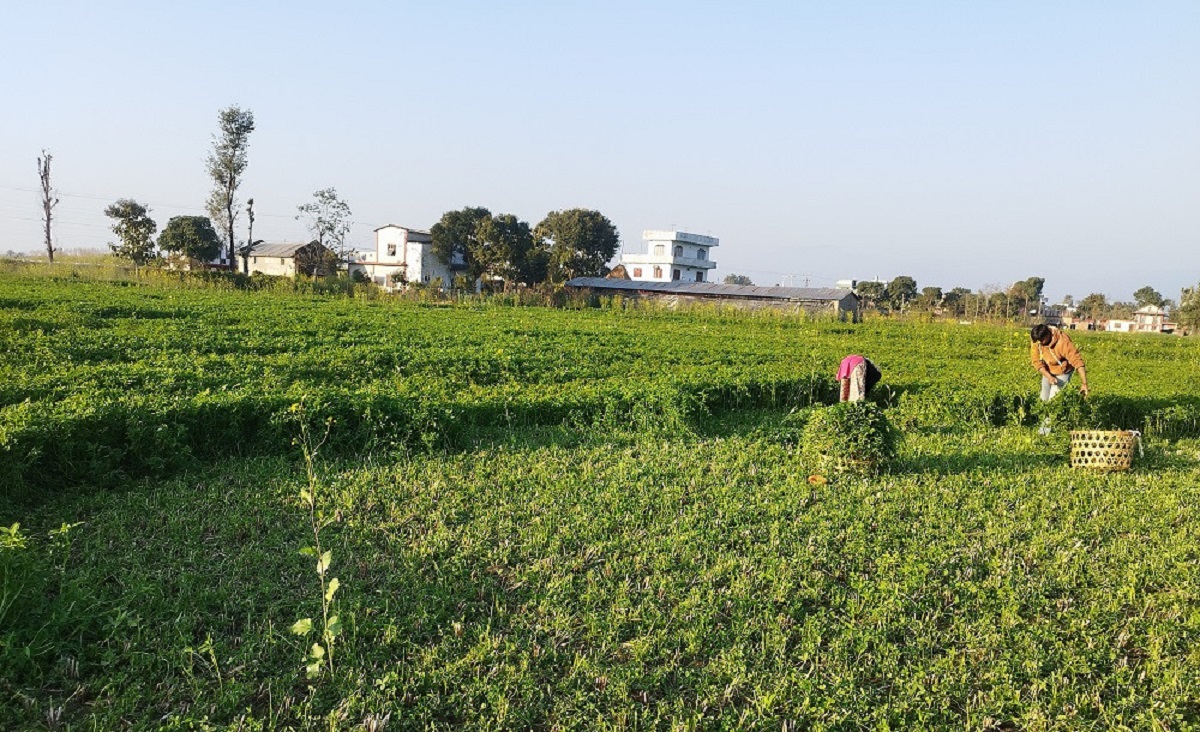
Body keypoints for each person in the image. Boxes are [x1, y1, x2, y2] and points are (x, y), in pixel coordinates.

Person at [1030, 324, 1089, 402]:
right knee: (1043, 398)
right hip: (1048, 370)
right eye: (1038, 341)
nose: (1040, 343)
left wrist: (1084, 383)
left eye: (1041, 340)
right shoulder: (1038, 341)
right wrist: (1049, 377)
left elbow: (1077, 361)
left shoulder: (1063, 342)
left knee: (1053, 399)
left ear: (1047, 334)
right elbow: (1036, 361)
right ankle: (1044, 412)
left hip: (1063, 371)